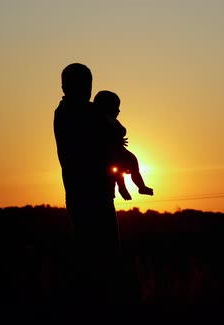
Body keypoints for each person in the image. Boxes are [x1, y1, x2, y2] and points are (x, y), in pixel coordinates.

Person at [53, 63, 122, 306]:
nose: (87, 89)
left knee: (102, 256)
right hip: (86, 195)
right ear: (65, 87)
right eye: (82, 84)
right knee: (96, 258)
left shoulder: (83, 112)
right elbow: (113, 130)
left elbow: (116, 129)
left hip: (95, 193)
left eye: (88, 84)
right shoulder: (72, 113)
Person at [93, 90, 154, 201]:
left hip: (119, 149)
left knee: (132, 161)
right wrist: (115, 138)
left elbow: (122, 130)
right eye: (115, 107)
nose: (118, 110)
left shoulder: (112, 120)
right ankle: (122, 187)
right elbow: (101, 136)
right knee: (116, 168)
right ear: (106, 106)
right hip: (110, 152)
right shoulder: (100, 119)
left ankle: (141, 186)